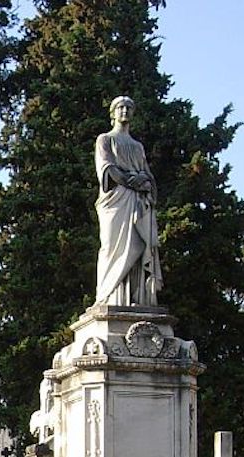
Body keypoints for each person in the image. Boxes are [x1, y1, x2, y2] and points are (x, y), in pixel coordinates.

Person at [95, 95, 162, 306]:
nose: (124, 111)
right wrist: (132, 181)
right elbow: (107, 168)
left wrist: (144, 181)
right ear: (113, 113)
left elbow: (148, 175)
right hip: (116, 201)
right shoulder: (105, 140)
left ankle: (135, 297)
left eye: (128, 108)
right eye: (120, 107)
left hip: (137, 201)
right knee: (110, 247)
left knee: (137, 245)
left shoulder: (137, 146)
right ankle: (107, 296)